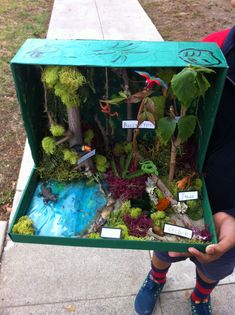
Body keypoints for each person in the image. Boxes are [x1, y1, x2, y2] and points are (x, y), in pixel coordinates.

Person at [134, 1, 235, 314]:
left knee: (216, 267)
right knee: (165, 248)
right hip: (180, 189)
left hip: (231, 213)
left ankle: (200, 295)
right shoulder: (209, 51)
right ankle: (156, 277)